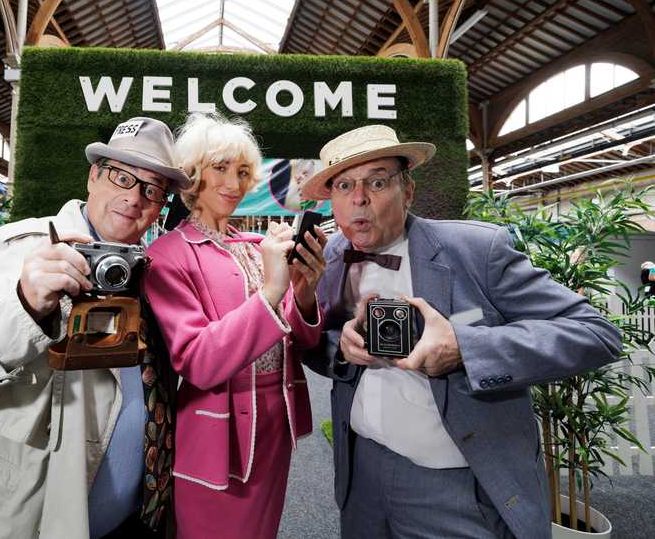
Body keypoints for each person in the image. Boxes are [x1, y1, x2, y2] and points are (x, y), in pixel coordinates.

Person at [299, 124, 622, 539]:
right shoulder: (333, 256)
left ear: (408, 190)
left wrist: (464, 348)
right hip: (362, 473)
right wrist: (341, 348)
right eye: (344, 185)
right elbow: (319, 346)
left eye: (377, 181)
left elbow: (596, 332)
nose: (359, 197)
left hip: (455, 482)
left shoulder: (476, 250)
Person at [0, 117, 189, 538]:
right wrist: (22, 308)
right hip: (25, 524)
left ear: (160, 207)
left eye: (152, 190)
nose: (134, 198)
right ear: (93, 176)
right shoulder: (22, 252)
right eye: (122, 177)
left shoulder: (147, 273)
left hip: (133, 520)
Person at [143, 112, 327, 539]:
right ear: (192, 175)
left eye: (242, 171)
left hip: (275, 429)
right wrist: (270, 293)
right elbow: (197, 361)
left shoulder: (258, 247)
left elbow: (302, 341)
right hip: (214, 438)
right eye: (220, 168)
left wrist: (302, 292)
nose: (233, 182)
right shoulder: (170, 255)